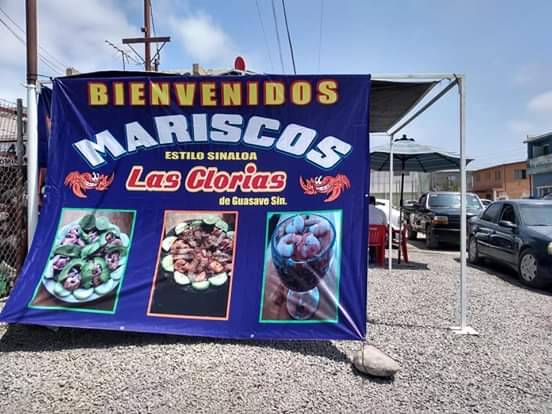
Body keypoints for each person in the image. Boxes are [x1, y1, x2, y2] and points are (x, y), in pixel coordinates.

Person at [368, 196, 387, 264]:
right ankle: (376, 256)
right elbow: (385, 225)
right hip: (378, 239)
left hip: (365, 239)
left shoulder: (363, 212)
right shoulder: (381, 212)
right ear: (374, 202)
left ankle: (370, 256)